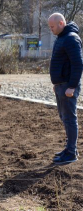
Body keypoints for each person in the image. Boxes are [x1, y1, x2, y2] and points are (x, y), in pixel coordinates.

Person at [48, 13, 83, 165]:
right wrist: (57, 84)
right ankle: (70, 149)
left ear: (61, 23)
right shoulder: (62, 37)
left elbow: (78, 64)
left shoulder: (71, 38)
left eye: (52, 26)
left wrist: (72, 86)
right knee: (65, 118)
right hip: (61, 86)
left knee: (69, 119)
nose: (51, 29)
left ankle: (71, 152)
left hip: (68, 86)